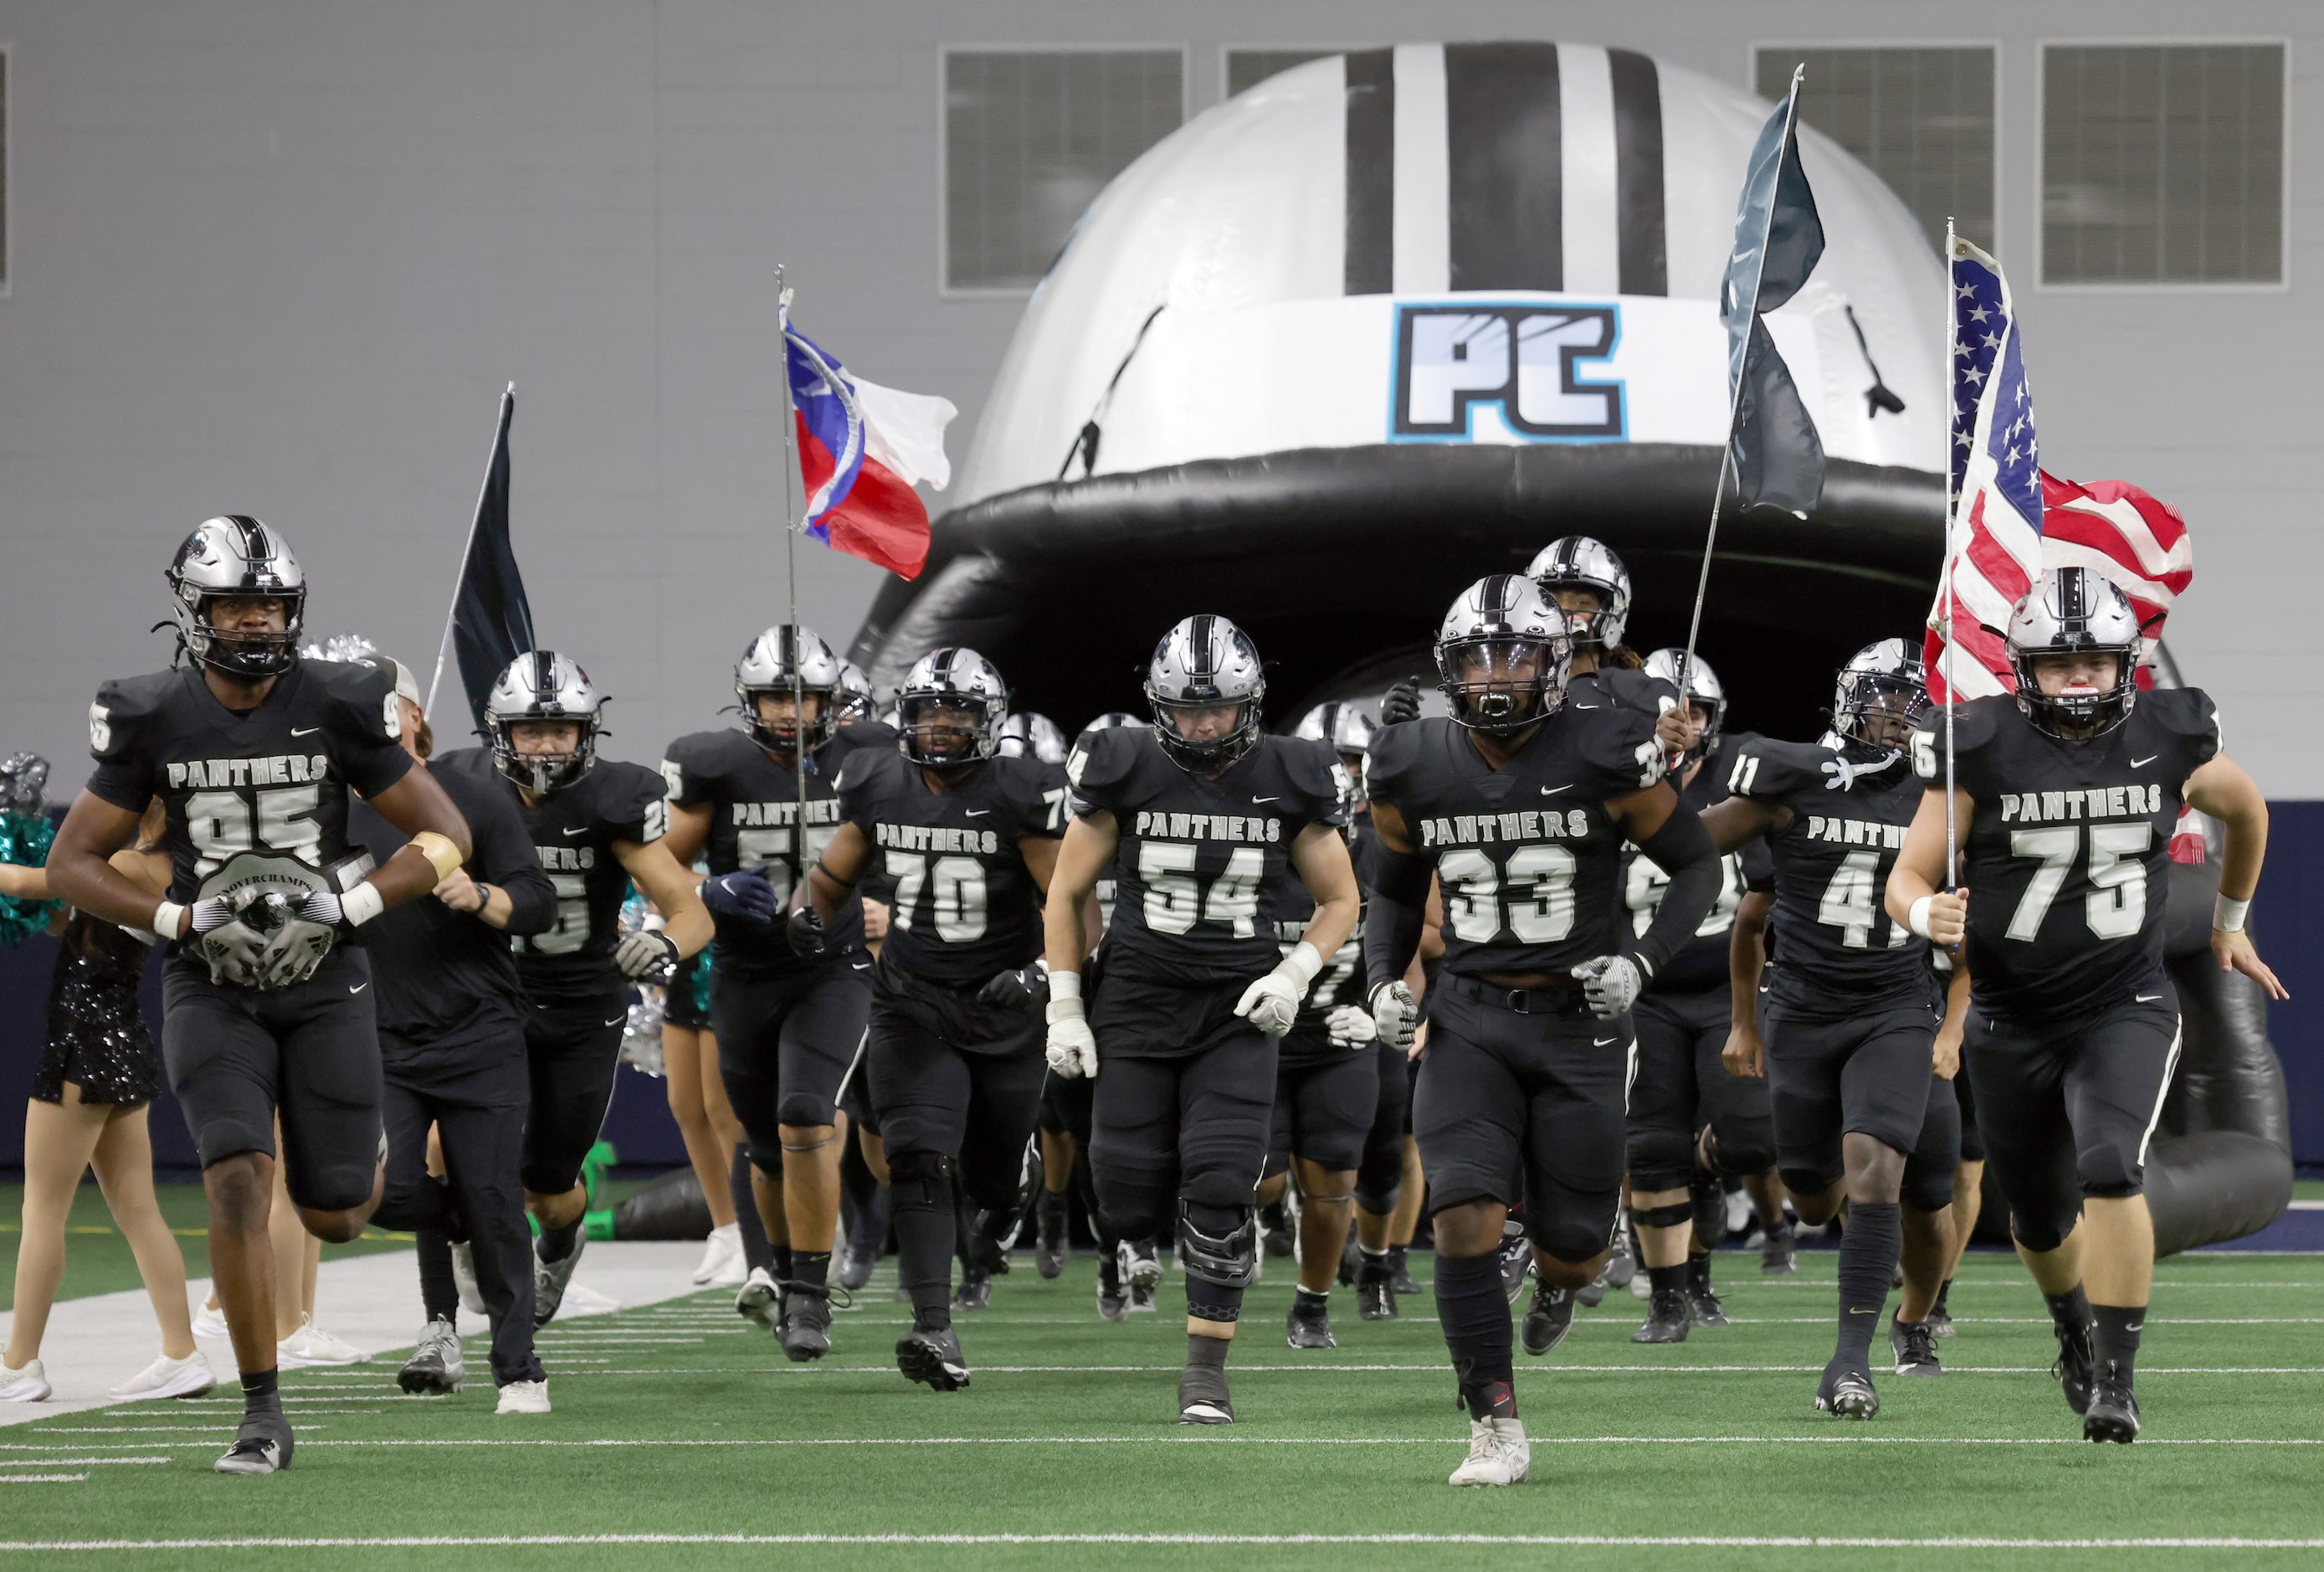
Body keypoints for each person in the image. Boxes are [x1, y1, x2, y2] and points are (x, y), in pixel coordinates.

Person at [48, 516, 475, 1475]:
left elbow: (445, 836)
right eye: (237, 603)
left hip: (327, 977)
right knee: (236, 1179)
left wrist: (343, 901)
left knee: (334, 1212)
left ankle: (353, 1147)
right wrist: (180, 923)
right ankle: (261, 1411)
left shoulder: (341, 699)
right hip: (211, 979)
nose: (257, 621)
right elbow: (72, 862)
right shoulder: (151, 711)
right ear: (193, 611)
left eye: (272, 604)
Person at [1885, 568, 2285, 1443]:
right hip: (2005, 1012)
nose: (2078, 681)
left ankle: (2115, 1378)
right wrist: (1924, 912)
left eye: (2095, 664)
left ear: (2125, 664)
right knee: (2036, 1215)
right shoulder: (1977, 741)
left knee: (2109, 1167)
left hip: (2123, 1001)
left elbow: (2246, 811)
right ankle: (2068, 1325)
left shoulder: (2168, 735)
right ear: (2021, 668)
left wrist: (2229, 924)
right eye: (2059, 665)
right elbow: (1905, 876)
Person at [1362, 575, 1721, 1488]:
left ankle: (1563, 1274)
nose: (1493, 676)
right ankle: (1493, 1422)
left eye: (1513, 654)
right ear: (1448, 667)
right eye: (1476, 657)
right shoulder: (1408, 761)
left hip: (1579, 1027)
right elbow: (1395, 890)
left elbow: (1694, 869)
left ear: (1555, 662)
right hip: (1469, 1019)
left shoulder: (1604, 748)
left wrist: (1638, 962)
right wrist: (1380, 980)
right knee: (1462, 1216)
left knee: (1573, 1248)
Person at [1044, 616, 1360, 1425]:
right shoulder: (1122, 764)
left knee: (1222, 1181)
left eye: (1216, 710)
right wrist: (1066, 1006)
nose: (1201, 726)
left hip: (1236, 1005)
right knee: (1123, 1193)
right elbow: (1065, 894)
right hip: (1137, 997)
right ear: (1158, 706)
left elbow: (1340, 899)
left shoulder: (1293, 772)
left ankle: (1205, 1373)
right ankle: (1143, 1246)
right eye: (1185, 711)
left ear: (1248, 703)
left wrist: (1295, 971)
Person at [791, 648, 1066, 1389]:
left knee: (991, 1184)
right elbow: (832, 874)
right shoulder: (878, 779)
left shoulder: (1022, 791)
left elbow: (1072, 904)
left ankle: (1015, 1183)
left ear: (988, 719)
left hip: (1002, 1005)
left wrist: (1041, 974)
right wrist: (807, 918)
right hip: (911, 999)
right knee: (915, 1153)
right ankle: (932, 1329)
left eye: (957, 713)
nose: (939, 726)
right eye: (924, 712)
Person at [1703, 640, 1961, 1419]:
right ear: (1849, 702)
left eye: (1911, 703)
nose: (1896, 717)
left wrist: (1951, 1023)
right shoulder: (1793, 782)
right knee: (1814, 1199)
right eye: (1883, 700)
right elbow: (1688, 842)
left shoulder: (1942, 798)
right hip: (1803, 1010)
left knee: (1881, 1168)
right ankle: (1769, 1178)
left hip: (1893, 1006)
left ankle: (1854, 1361)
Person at [439, 652, 713, 1324]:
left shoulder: (611, 800)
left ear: (587, 733)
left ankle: (560, 1244)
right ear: (499, 731)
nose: (545, 745)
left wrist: (663, 942)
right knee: (454, 1149)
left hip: (580, 1003)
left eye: (560, 730)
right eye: (531, 731)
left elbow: (691, 910)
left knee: (548, 1185)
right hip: (488, 994)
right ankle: (464, 1240)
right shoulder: (462, 788)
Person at [662, 626, 894, 1360]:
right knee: (763, 1147)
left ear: (831, 700)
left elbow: (919, 838)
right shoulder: (717, 767)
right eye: (773, 696)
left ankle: (811, 1296)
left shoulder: (869, 757)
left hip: (833, 968)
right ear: (748, 700)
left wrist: (891, 904)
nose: (789, 712)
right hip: (745, 973)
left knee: (804, 1115)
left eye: (804, 697)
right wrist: (711, 887)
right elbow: (656, 869)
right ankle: (788, 1272)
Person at [349, 653, 559, 1411]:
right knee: (385, 1192)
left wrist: (483, 897)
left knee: (496, 1196)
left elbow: (538, 902)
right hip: (385, 1040)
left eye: (379, 703)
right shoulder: (327, 812)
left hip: (480, 1034)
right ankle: (467, 1238)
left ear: (414, 715)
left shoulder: (470, 795)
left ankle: (518, 1367)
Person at [0, 799, 213, 1404]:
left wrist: (10, 857)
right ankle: (181, 1353)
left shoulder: (125, 862)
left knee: (42, 1209)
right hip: (124, 1042)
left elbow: (29, 880)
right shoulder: (165, 870)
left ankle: (20, 1365)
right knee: (139, 1211)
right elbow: (64, 920)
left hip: (81, 1043)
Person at [1612, 650, 1785, 1350]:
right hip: (1644, 994)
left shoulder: (1735, 787)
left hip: (1725, 988)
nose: (1684, 725)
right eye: (1668, 712)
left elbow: (1769, 891)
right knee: (1652, 1150)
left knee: (1751, 1138)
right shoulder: (1609, 781)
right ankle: (1668, 1297)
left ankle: (1704, 1181)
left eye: (1697, 713)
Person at [1256, 701, 1382, 1348]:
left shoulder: (1382, 845)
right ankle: (1269, 1211)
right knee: (1260, 1180)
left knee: (1333, 1183)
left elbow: (1425, 940)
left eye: (1349, 762)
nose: (1335, 775)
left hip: (1339, 1036)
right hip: (1258, 1037)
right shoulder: (1248, 849)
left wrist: (1386, 1001)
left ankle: (1312, 1303)